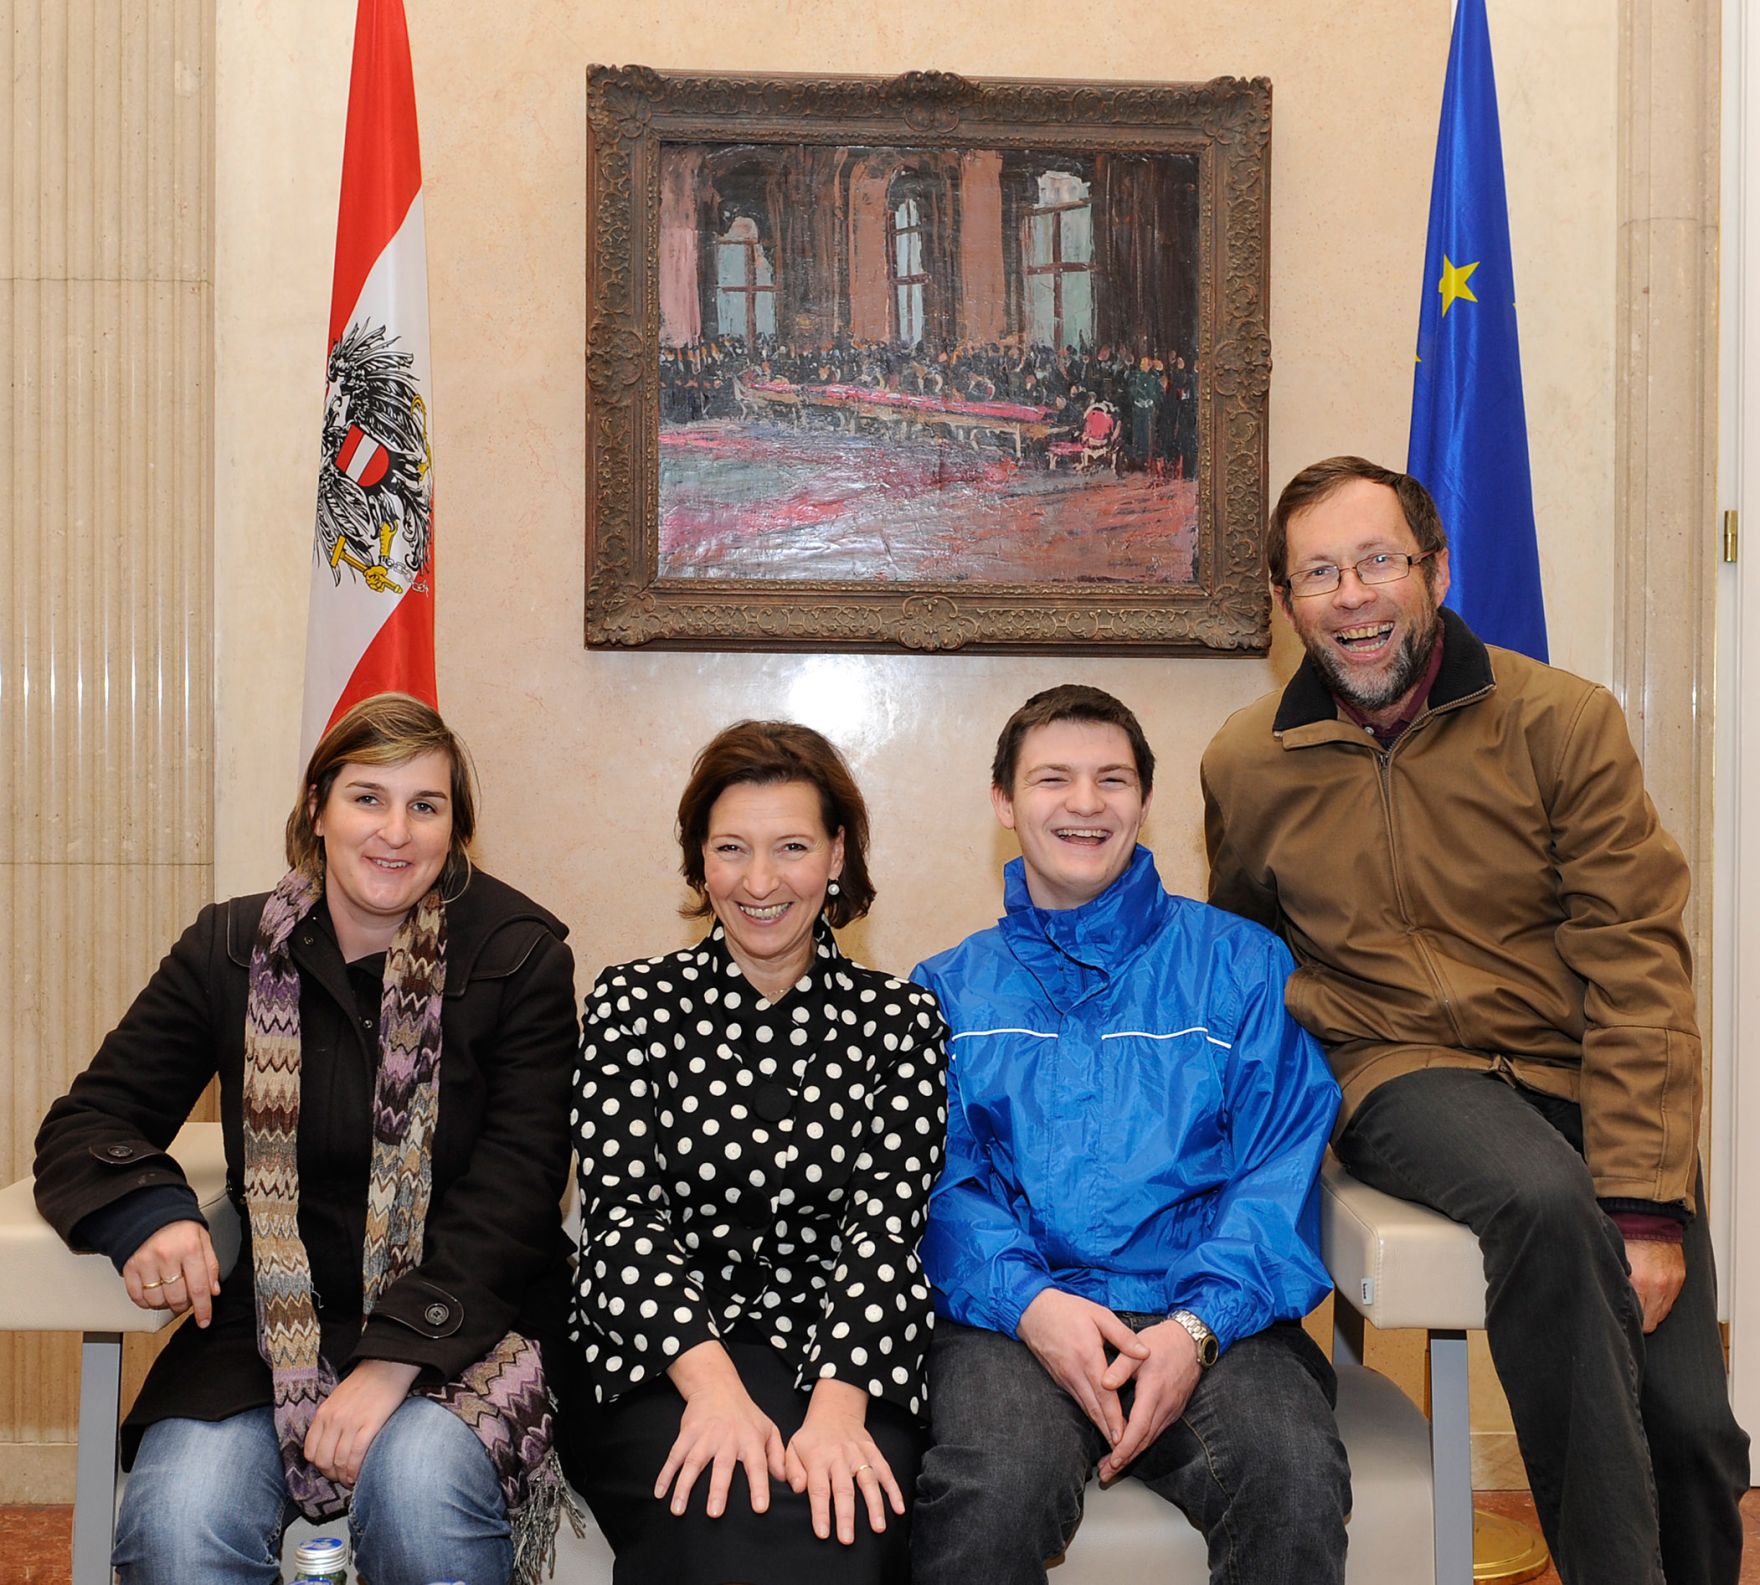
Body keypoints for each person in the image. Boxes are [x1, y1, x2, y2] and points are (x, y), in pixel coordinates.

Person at [1201, 456, 1751, 1585]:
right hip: (1396, 1070)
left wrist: (1647, 1204)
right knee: (1539, 1195)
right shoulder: (1245, 763)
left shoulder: (1562, 721)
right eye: (1318, 573)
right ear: (1285, 603)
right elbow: (1243, 962)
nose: (1352, 595)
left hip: (1580, 1068)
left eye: (1378, 561)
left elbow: (1636, 957)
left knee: (1693, 1431)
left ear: (1436, 571)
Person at [32, 694, 580, 1585]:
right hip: (266, 1329)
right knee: (175, 1528)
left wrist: (393, 1359)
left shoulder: (519, 956)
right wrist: (152, 1213)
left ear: (455, 831)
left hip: (466, 1328)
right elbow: (92, 1120)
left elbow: (517, 1191)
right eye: (368, 797)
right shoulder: (229, 947)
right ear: (317, 808)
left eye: (425, 805)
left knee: (416, 1496)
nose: (394, 831)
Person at [909, 685, 1350, 1585]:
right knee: (991, 1491)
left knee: (1293, 1477)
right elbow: (940, 1187)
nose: (1085, 802)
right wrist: (1032, 1305)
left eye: (1112, 779)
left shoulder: (1244, 966)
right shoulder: (945, 989)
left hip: (1215, 1317)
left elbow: (1278, 1172)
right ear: (1004, 802)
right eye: (1052, 778)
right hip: (1013, 1320)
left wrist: (1196, 1327)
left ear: (1145, 802)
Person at [560, 720, 948, 1585]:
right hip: (660, 1352)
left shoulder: (902, 1022)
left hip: (845, 1353)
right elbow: (621, 1221)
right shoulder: (632, 1004)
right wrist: (715, 1392)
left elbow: (885, 1231)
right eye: (732, 848)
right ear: (700, 860)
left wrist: (838, 1411)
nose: (760, 881)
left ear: (837, 854)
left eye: (792, 847)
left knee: (843, 1527)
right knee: (713, 1515)